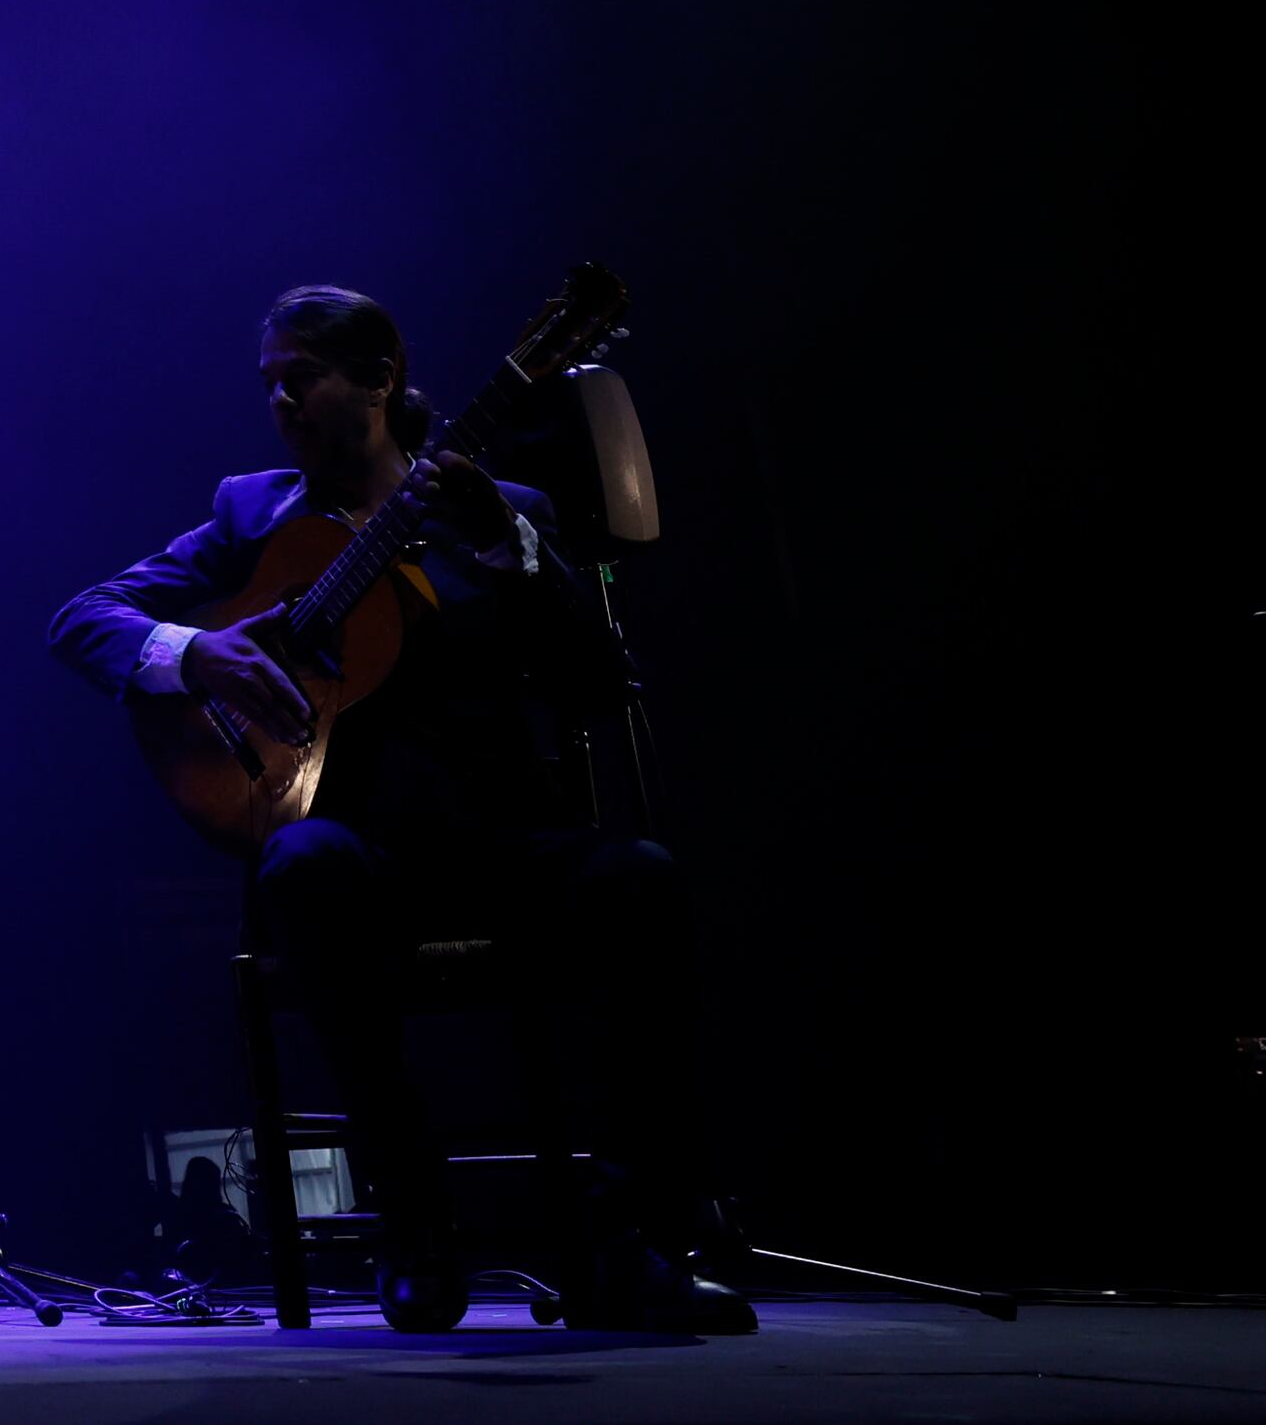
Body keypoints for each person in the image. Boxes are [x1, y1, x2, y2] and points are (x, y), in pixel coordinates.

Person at [48, 287, 747, 1335]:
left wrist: (507, 547)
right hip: (357, 856)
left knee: (638, 878)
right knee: (303, 866)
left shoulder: (502, 513)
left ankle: (621, 1240)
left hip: (496, 841)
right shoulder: (250, 514)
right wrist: (199, 654)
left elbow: (602, 682)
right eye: (267, 380)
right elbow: (81, 617)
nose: (279, 398)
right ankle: (412, 1218)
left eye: (303, 374)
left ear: (377, 377)